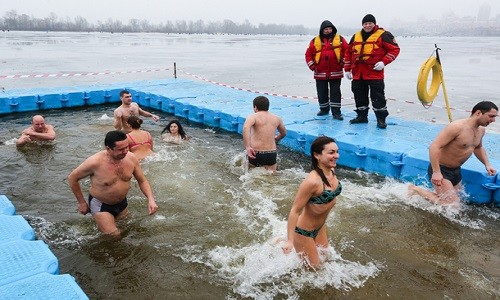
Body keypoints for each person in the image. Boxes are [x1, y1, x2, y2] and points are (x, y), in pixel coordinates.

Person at [68, 130, 159, 238]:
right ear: (108, 148)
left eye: (127, 147)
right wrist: (81, 202)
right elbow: (72, 178)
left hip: (122, 203)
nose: (125, 151)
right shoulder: (94, 162)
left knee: (126, 230)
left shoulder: (131, 158)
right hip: (101, 204)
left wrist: (150, 199)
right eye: (121, 149)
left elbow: (142, 180)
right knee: (114, 235)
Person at [408, 101, 498, 206]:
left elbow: (478, 147)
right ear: (478, 113)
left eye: (495, 117)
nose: (493, 120)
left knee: (457, 203)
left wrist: (487, 164)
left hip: (456, 170)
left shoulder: (481, 130)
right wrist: (436, 172)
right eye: (491, 116)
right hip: (442, 169)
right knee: (453, 205)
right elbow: (434, 146)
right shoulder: (457, 127)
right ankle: (414, 189)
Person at [282, 136, 342, 269]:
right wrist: (290, 241)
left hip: (320, 228)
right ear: (317, 155)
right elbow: (295, 210)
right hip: (304, 233)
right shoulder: (312, 182)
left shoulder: (331, 170)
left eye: (337, 152)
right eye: (331, 153)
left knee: (327, 260)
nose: (336, 156)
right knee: (314, 270)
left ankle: (279, 241)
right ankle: (283, 241)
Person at [344, 14, 400, 129]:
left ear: (374, 24)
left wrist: (384, 62)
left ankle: (381, 119)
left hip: (374, 73)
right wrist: (347, 69)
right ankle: (362, 116)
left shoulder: (384, 35)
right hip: (358, 73)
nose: (367, 25)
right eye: (365, 23)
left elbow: (394, 50)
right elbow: (348, 53)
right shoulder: (356, 36)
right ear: (362, 25)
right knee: (359, 96)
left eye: (370, 23)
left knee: (378, 97)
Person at [305, 20, 349, 120]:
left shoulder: (340, 39)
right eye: (325, 29)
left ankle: (336, 112)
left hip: (335, 72)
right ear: (322, 30)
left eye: (329, 29)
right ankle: (324, 109)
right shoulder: (314, 41)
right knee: (321, 92)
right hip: (320, 72)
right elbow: (308, 54)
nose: (328, 31)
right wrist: (312, 66)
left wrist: (343, 62)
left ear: (332, 29)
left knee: (335, 93)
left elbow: (348, 51)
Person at [242, 96, 287, 172]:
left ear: (255, 107)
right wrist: (276, 139)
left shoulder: (253, 117)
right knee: (271, 176)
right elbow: (284, 133)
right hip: (271, 153)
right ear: (268, 106)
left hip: (256, 152)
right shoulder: (277, 118)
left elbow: (246, 128)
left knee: (251, 176)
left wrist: (248, 147)